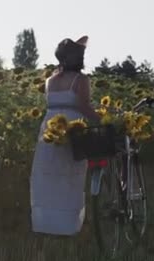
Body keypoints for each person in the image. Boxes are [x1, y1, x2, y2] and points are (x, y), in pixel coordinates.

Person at [30, 36, 101, 236]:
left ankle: (45, 223)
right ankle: (67, 225)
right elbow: (83, 106)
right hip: (72, 130)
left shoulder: (50, 80)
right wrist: (102, 120)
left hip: (50, 129)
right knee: (70, 177)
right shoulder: (81, 80)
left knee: (48, 175)